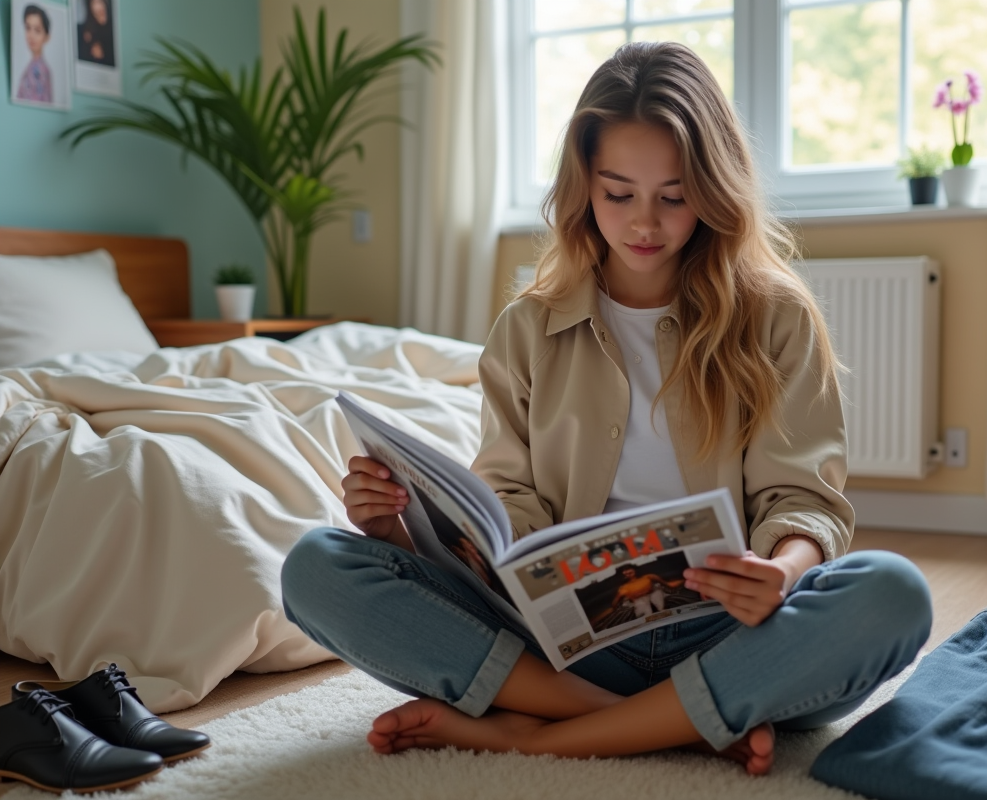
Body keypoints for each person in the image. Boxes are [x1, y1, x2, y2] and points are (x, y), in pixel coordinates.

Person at [280, 41, 932, 776]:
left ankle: (538, 733)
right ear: (583, 187)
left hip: (733, 635)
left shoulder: (774, 316)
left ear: (714, 190)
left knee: (892, 592)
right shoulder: (527, 327)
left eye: (675, 195)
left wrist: (781, 571)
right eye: (618, 193)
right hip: (559, 643)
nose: (644, 223)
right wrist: (390, 527)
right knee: (315, 565)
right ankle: (668, 724)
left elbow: (804, 495)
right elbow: (507, 506)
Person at [16, 4, 53, 105]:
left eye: (37, 30)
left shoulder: (39, 70)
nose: (31, 35)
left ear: (46, 37)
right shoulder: (33, 66)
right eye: (28, 28)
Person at [77, 0, 115, 67]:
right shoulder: (85, 31)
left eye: (100, 1)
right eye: (94, 2)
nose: (99, 5)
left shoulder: (114, 28)